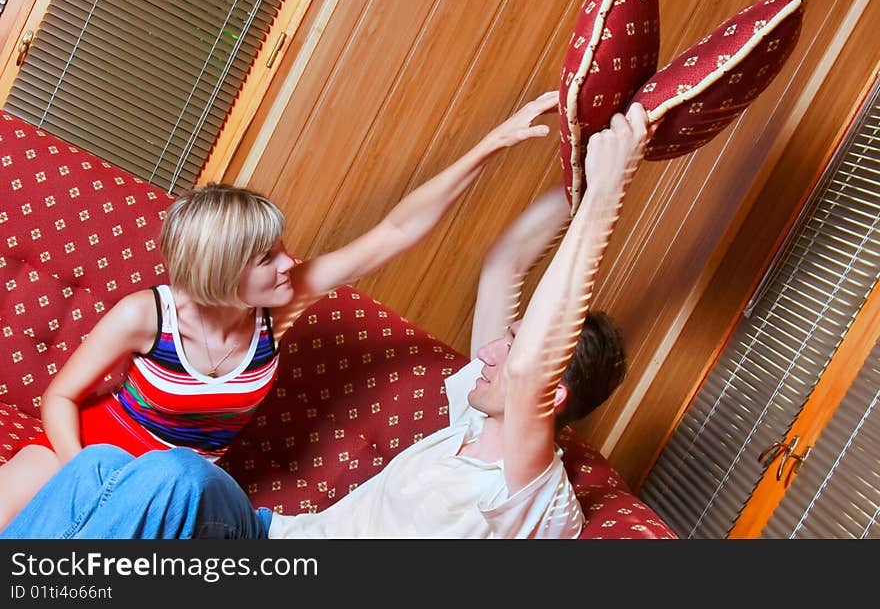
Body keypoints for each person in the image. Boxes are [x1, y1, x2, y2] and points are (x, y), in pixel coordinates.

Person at [0, 102, 649, 539]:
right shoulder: (478, 414)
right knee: (91, 472)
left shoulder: (527, 485)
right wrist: (576, 175)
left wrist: (610, 201)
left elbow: (530, 365)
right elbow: (504, 264)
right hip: (262, 529)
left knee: (175, 474)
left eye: (510, 350)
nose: (487, 352)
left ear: (547, 392)